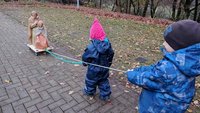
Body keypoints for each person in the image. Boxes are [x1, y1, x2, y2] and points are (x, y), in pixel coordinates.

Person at [126, 20, 200, 113]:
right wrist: (141, 69)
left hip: (158, 108)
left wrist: (130, 73)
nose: (163, 44)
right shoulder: (184, 63)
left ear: (179, 47)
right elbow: (155, 71)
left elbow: (148, 80)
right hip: (174, 106)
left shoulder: (169, 68)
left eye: (168, 42)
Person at [82, 18, 114, 101]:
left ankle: (89, 91)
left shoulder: (91, 47)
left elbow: (86, 57)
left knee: (90, 81)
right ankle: (105, 95)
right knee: (103, 81)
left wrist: (85, 63)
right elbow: (111, 54)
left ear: (92, 36)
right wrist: (109, 63)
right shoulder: (108, 45)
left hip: (93, 70)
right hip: (104, 69)